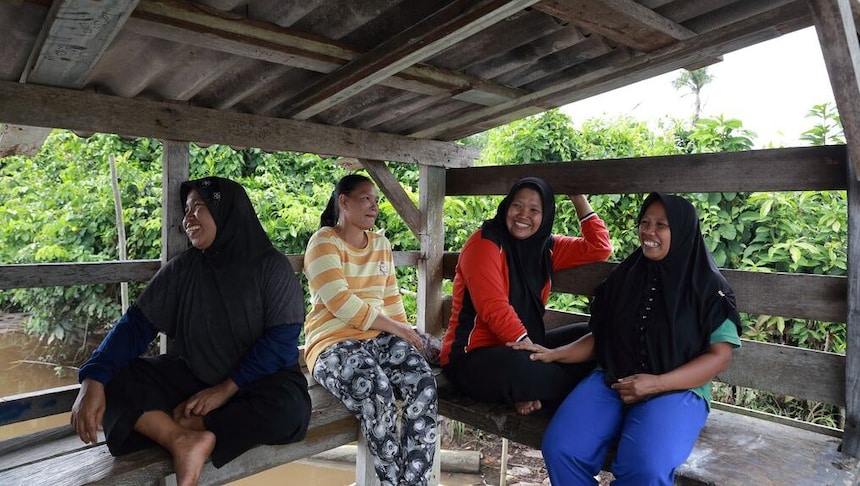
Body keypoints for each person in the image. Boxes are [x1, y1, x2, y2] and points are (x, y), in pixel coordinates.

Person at [70, 177, 311, 486]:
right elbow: (135, 325)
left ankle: (191, 424)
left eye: (200, 207)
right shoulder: (184, 269)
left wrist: (225, 389)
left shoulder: (271, 267)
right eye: (186, 210)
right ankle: (180, 438)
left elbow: (280, 343)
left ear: (227, 212)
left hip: (259, 382)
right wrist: (94, 377)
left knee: (291, 412)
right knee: (114, 378)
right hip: (196, 377)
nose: (188, 218)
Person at [512, 192, 742, 485]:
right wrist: (555, 353)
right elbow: (604, 339)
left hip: (676, 388)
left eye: (661, 224)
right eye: (644, 222)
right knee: (561, 449)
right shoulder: (626, 277)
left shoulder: (708, 287)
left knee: (645, 468)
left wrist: (656, 383)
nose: (649, 231)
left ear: (683, 230)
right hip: (612, 377)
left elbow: (720, 355)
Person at [303, 174, 438, 486]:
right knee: (377, 392)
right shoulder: (323, 242)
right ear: (344, 202)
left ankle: (413, 482)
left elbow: (391, 299)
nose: (374, 205)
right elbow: (342, 304)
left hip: (379, 338)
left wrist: (407, 335)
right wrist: (400, 330)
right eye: (366, 198)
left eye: (376, 200)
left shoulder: (380, 244)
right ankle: (390, 482)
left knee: (424, 382)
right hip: (332, 343)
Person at [440, 176, 612, 415]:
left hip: (524, 348)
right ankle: (544, 388)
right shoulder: (484, 243)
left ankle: (533, 390)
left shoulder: (546, 248)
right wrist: (536, 352)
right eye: (517, 206)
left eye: (534, 210)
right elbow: (493, 307)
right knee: (523, 368)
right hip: (472, 357)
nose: (523, 215)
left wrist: (578, 198)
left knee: (591, 337)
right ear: (506, 206)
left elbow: (599, 247)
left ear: (545, 216)